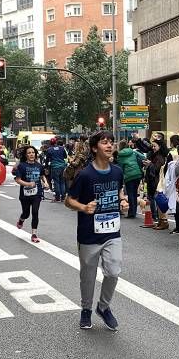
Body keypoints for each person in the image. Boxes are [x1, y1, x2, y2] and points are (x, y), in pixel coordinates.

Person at [65, 131, 129, 331]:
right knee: (88, 276)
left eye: (111, 142)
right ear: (94, 148)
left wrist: (123, 201)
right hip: (88, 234)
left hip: (112, 233)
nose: (109, 145)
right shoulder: (85, 175)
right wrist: (84, 208)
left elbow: (119, 191)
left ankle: (103, 306)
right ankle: (86, 309)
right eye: (104, 142)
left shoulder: (117, 171)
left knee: (113, 271)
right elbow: (69, 200)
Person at [14, 145, 44, 243]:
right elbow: (18, 180)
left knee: (35, 212)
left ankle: (34, 234)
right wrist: (28, 184)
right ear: (26, 155)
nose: (31, 154)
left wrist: (46, 182)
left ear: (35, 154)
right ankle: (21, 220)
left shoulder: (39, 166)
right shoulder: (22, 166)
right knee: (26, 214)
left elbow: (42, 176)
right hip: (25, 194)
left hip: (37, 192)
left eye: (33, 152)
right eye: (29, 153)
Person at [143, 140, 167, 230]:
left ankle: (156, 217)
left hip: (155, 181)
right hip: (152, 180)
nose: (153, 148)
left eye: (155, 146)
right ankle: (158, 218)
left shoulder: (160, 156)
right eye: (152, 146)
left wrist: (149, 164)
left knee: (154, 198)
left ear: (160, 146)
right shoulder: (154, 155)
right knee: (152, 198)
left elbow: (157, 169)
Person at [115, 140, 143, 219]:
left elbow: (120, 167)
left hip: (128, 176)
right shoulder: (133, 152)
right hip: (137, 174)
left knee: (130, 194)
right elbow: (143, 157)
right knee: (134, 193)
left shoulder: (120, 155)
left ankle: (131, 213)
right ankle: (134, 211)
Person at [48, 137, 68, 202]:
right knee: (62, 181)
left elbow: (47, 160)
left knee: (56, 182)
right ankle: (63, 197)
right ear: (56, 142)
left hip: (55, 167)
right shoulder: (62, 148)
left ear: (50, 143)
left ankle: (57, 197)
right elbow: (65, 156)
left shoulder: (49, 150)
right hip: (62, 166)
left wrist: (46, 167)